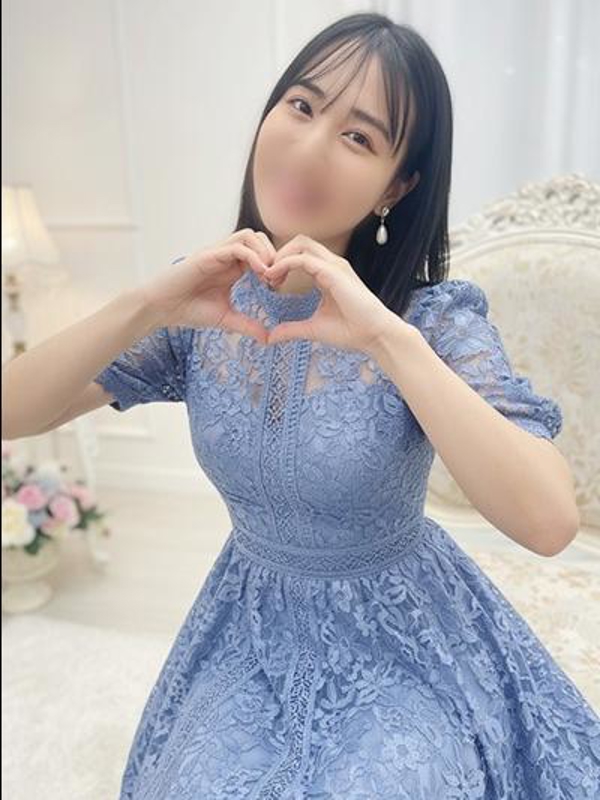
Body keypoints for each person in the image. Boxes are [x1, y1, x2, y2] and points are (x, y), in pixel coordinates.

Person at [4, 12, 599, 799]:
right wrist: (144, 304)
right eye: (302, 106)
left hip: (404, 645)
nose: (310, 147)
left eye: (359, 136)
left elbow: (548, 521)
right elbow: (12, 412)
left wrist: (386, 339)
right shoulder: (203, 306)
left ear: (397, 185)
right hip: (249, 633)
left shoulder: (431, 321)